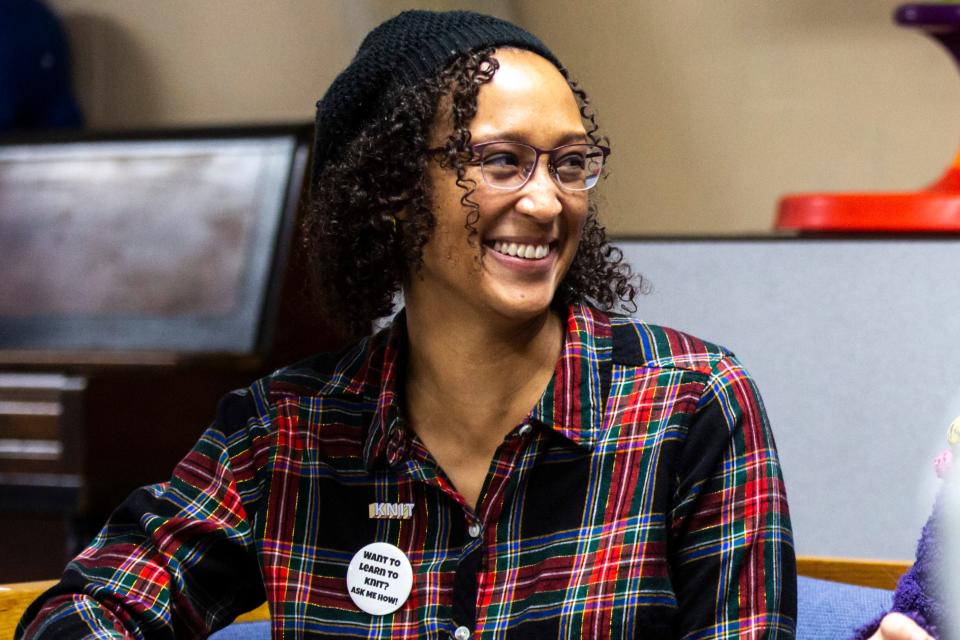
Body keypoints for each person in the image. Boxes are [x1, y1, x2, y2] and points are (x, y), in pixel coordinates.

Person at [17, 10, 796, 639]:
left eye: (568, 163)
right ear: (391, 189)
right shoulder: (286, 431)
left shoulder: (689, 407)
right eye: (499, 161)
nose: (547, 201)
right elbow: (88, 612)